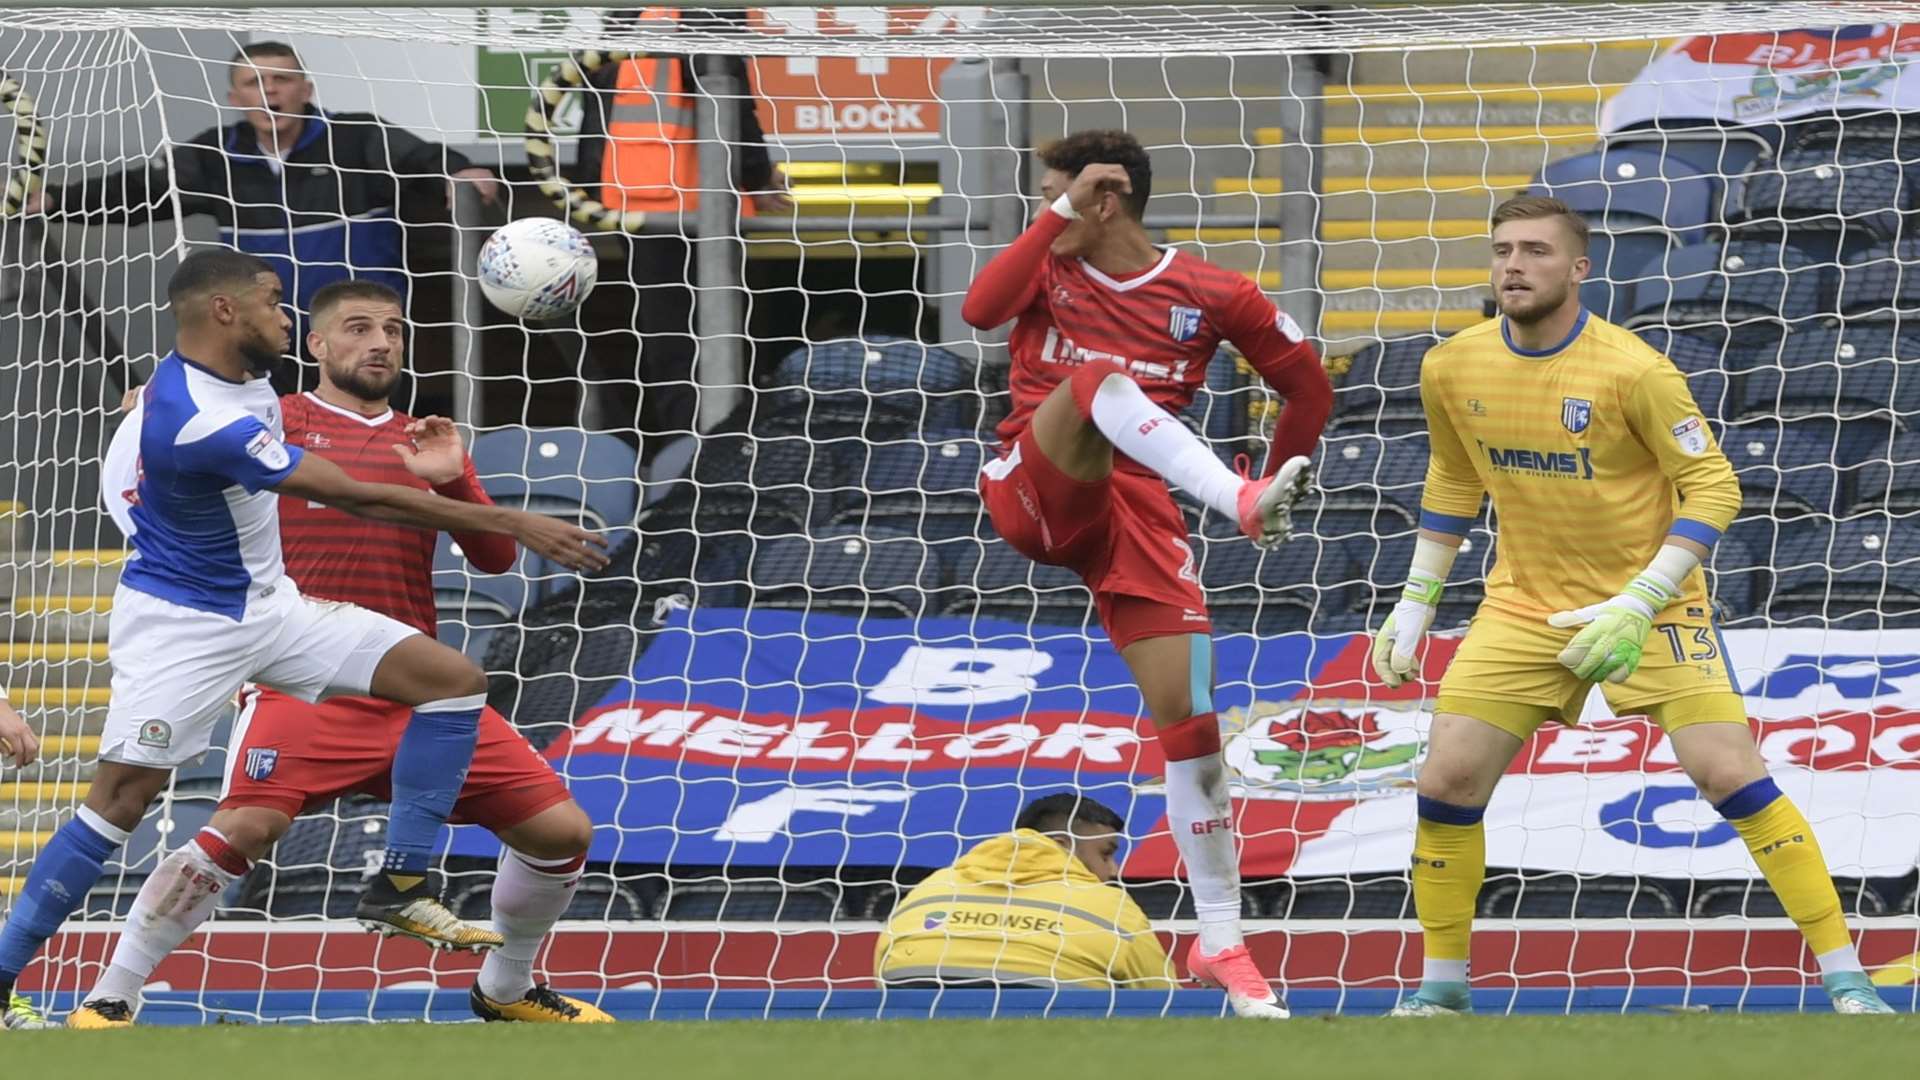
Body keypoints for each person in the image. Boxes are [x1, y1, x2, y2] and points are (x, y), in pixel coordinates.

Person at [0, 249, 607, 1029]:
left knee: (455, 679)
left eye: (393, 328)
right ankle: (69, 984)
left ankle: (406, 892)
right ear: (229, 313)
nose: (284, 314)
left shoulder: (234, 380)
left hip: (278, 610)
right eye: (276, 302)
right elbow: (354, 495)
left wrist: (460, 480)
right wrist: (509, 515)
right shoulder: (204, 418)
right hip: (190, 628)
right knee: (121, 805)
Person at [1371, 193, 1893, 1016]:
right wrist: (1416, 599)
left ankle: (1848, 979)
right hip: (1521, 608)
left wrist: (1643, 597)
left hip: (1654, 607)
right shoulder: (1452, 364)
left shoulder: (1635, 370)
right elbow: (1454, 478)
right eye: (1504, 249)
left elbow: (1714, 485)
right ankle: (1441, 991)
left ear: (1579, 269)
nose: (1515, 264)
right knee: (1447, 780)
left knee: (1730, 775)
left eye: (1537, 251)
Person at [964, 129, 1334, 1019]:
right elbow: (979, 310)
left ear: (1106, 201)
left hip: (1143, 513)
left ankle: (1222, 941)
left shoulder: (1213, 293)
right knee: (1094, 379)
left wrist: (1282, 470)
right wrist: (1245, 494)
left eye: (1058, 196)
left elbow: (1310, 390)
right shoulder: (1043, 268)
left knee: (1194, 731)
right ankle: (1236, 499)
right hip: (1034, 484)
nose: (1042, 215)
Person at [28, 41, 499, 325]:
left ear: (307, 89)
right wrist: (51, 199)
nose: (270, 91)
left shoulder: (358, 136)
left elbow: (421, 157)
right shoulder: (216, 154)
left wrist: (459, 168)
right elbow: (136, 191)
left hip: (359, 331)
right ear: (235, 97)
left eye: (281, 79)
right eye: (254, 82)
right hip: (263, 333)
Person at [573, 7, 789, 455]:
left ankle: (684, 453)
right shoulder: (706, 12)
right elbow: (726, 88)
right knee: (721, 338)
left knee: (670, 346)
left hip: (636, 205)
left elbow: (598, 104)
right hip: (697, 201)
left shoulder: (625, 15)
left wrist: (590, 187)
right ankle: (716, 455)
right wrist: (757, 173)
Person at [875, 795, 1174, 990]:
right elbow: (1165, 1000)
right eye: (1106, 854)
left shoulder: (933, 886)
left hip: (913, 1006)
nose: (1114, 871)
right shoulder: (1111, 905)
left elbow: (883, 965)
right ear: (1062, 844)